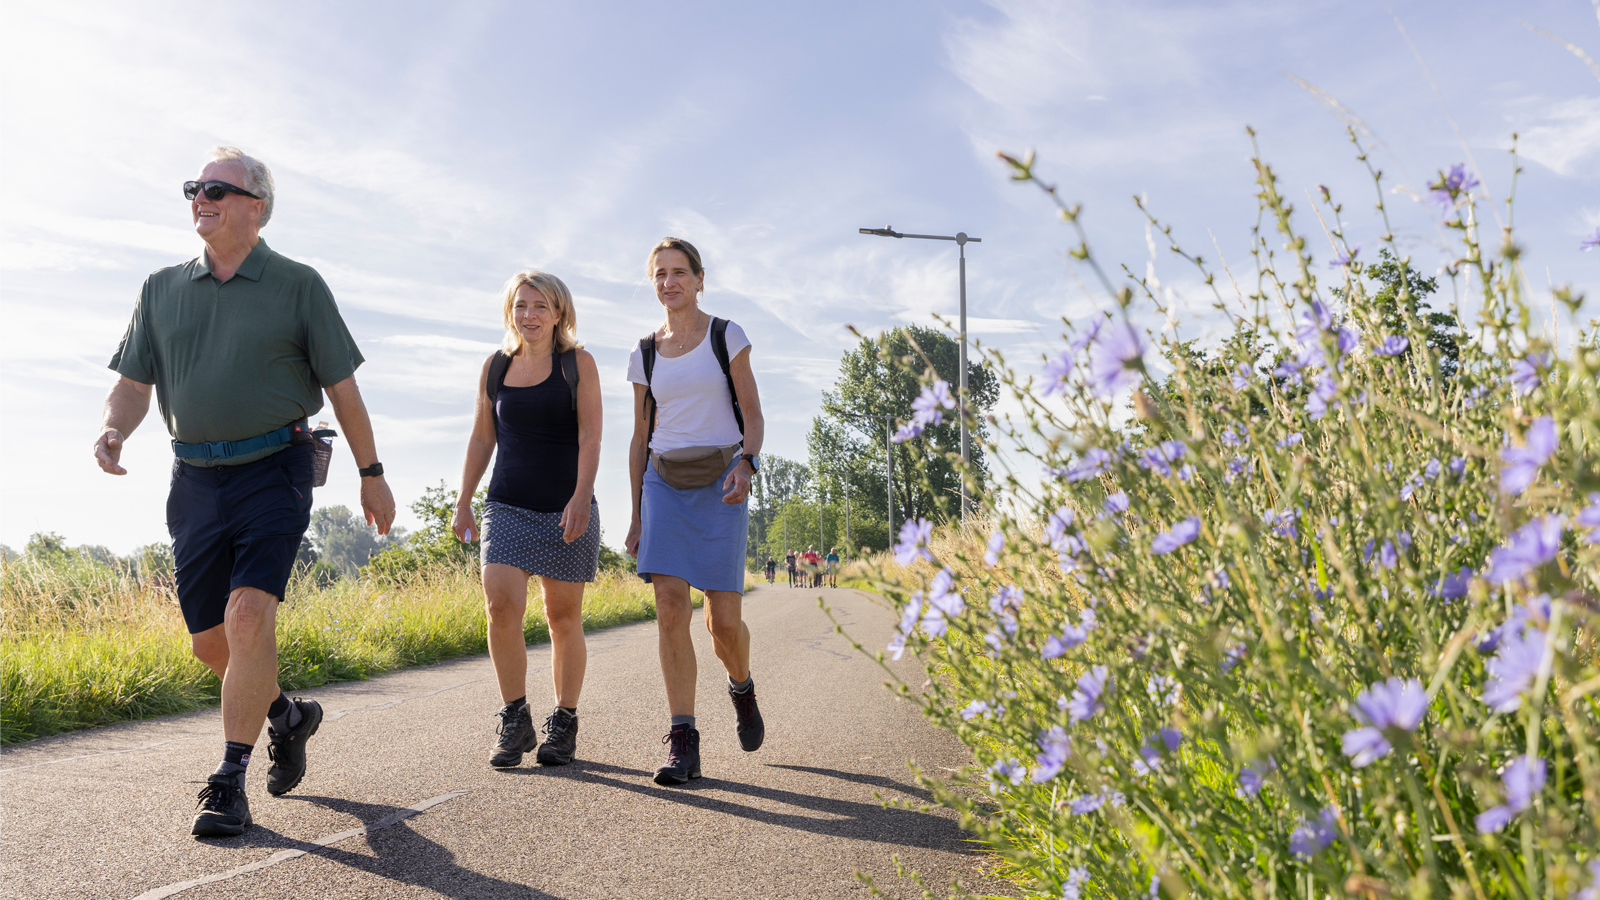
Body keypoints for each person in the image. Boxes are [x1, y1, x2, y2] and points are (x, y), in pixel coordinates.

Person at [94, 147, 394, 838]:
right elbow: (135, 383)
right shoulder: (160, 288)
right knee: (211, 644)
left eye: (217, 190)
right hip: (193, 476)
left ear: (257, 206)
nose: (201, 198)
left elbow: (344, 389)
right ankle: (288, 717)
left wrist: (371, 473)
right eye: (194, 188)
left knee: (249, 616)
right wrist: (114, 428)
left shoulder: (298, 284)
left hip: (274, 466)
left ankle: (228, 780)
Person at [625, 237, 766, 786]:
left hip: (721, 480)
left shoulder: (726, 335)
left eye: (679, 272)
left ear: (700, 279)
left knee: (724, 622)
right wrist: (635, 512)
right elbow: (639, 438)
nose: (669, 282)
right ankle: (683, 737)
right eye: (660, 274)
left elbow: (751, 413)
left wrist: (747, 463)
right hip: (663, 480)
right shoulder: (644, 351)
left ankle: (742, 687)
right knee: (668, 605)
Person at [452, 270, 602, 769]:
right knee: (500, 605)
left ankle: (564, 722)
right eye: (521, 306)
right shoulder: (496, 366)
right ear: (509, 311)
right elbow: (481, 437)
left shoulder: (578, 364)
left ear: (559, 312)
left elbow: (591, 437)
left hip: (565, 507)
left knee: (562, 618)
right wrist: (464, 499)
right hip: (507, 504)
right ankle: (515, 718)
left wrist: (581, 497)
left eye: (540, 306)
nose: (529, 315)